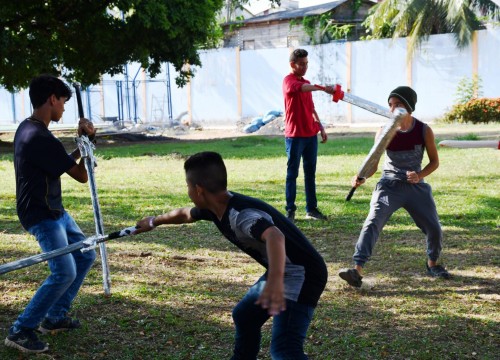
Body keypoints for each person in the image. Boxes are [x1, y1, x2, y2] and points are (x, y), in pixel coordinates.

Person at [135, 151, 328, 360]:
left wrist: (274, 283)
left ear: (198, 190)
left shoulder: (241, 216)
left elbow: (275, 236)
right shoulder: (215, 207)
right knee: (244, 316)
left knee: (285, 350)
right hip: (285, 270)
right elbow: (185, 214)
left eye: (188, 186)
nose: (188, 191)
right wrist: (154, 221)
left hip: (303, 274)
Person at [5, 75, 97, 353]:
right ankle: (21, 329)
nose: (65, 108)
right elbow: (82, 174)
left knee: (85, 254)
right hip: (41, 213)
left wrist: (83, 143)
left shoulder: (30, 129)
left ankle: (55, 316)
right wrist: (89, 140)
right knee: (64, 271)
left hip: (54, 209)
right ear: (51, 99)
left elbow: (61, 160)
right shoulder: (39, 137)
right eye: (63, 102)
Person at [339, 86, 450, 288]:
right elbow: (374, 162)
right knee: (372, 222)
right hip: (389, 186)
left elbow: (434, 162)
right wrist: (362, 177)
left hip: (415, 186)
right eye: (390, 105)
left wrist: (419, 175)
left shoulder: (424, 130)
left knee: (434, 228)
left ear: (409, 108)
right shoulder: (384, 131)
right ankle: (357, 270)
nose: (392, 110)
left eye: (398, 105)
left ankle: (432, 263)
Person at [282, 48, 334, 222]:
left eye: (306, 64)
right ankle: (290, 209)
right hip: (295, 136)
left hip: (310, 135)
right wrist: (323, 88)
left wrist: (321, 127)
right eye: (301, 64)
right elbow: (302, 88)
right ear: (292, 64)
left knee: (310, 173)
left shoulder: (306, 82)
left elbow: (311, 108)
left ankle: (311, 209)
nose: (305, 67)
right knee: (292, 174)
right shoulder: (289, 81)